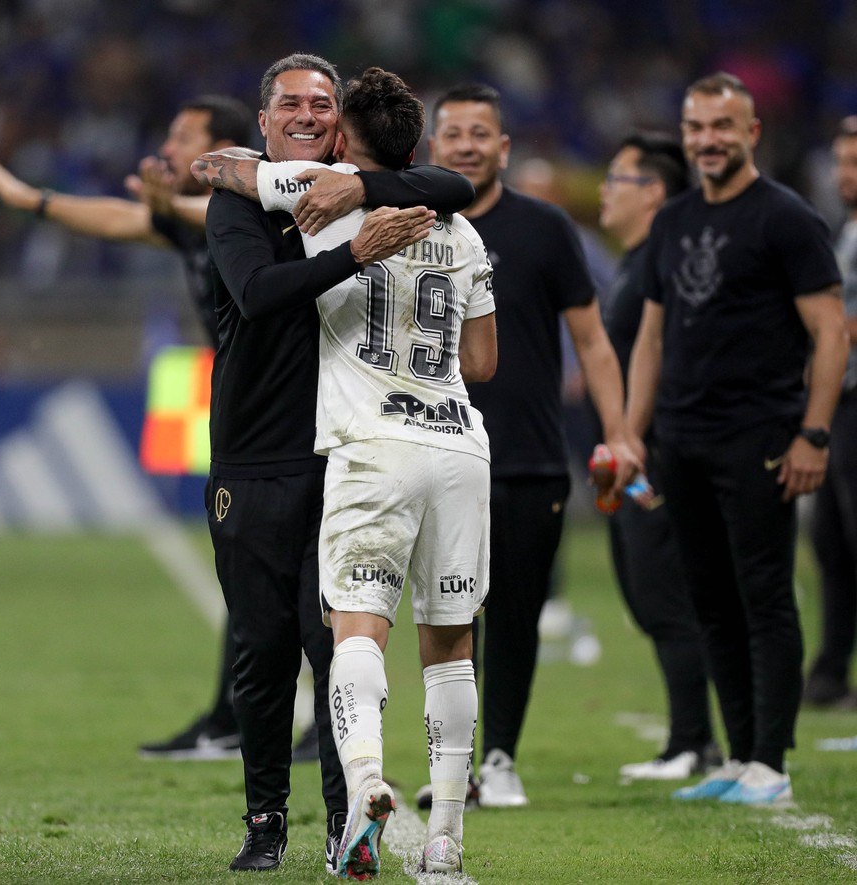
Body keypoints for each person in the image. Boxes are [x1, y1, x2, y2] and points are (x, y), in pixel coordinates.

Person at [196, 66, 495, 877]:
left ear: (339, 126)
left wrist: (359, 188)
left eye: (319, 105)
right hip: (255, 460)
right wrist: (353, 249)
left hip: (345, 455)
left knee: (334, 647)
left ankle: (344, 815)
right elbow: (257, 292)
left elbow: (453, 182)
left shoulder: (369, 196)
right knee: (260, 656)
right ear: (264, 118)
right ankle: (265, 823)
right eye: (288, 102)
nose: (304, 113)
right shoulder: (244, 203)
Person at [0, 95, 266, 763]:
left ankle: (268, 721)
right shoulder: (189, 220)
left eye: (182, 134)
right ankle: (232, 717)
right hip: (241, 405)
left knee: (282, 571)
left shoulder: (252, 209)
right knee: (249, 569)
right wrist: (34, 201)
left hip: (289, 414)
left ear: (222, 149)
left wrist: (163, 207)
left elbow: (190, 212)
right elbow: (117, 217)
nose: (167, 145)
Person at [626, 72, 848, 805]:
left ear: (751, 133)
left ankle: (772, 763)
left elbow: (830, 332)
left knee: (764, 595)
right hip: (681, 440)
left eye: (722, 126)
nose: (707, 140)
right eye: (695, 127)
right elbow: (653, 336)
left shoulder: (786, 218)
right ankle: (737, 756)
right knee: (710, 600)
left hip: (759, 434)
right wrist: (634, 431)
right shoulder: (675, 219)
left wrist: (813, 433)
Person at [426, 83, 641, 807]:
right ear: (434, 146)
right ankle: (452, 766)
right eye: (453, 133)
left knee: (515, 616)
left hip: (528, 455)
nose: (466, 145)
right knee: (448, 620)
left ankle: (503, 759)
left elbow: (594, 342)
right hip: (436, 453)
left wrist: (617, 433)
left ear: (503, 147)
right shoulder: (408, 227)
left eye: (479, 133)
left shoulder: (548, 230)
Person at [597, 132, 721, 779]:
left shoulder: (663, 261)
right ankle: (690, 738)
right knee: (648, 596)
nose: (602, 191)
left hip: (656, 453)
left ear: (653, 192)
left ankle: (693, 741)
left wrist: (639, 438)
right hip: (627, 454)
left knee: (667, 593)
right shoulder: (635, 260)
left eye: (616, 179)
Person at [802, 115, 857, 709]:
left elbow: (838, 325)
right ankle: (830, 673)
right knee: (832, 543)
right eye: (841, 162)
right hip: (840, 405)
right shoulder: (846, 230)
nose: (846, 175)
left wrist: (823, 332)